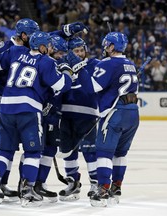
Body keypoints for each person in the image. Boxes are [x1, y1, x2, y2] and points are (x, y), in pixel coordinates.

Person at [0, 31, 73, 207]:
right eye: (48, 46)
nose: (50, 49)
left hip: (5, 108)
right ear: (42, 47)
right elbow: (61, 85)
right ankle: (27, 191)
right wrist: (67, 72)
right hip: (28, 109)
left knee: (3, 151)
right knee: (33, 153)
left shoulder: (16, 52)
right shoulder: (46, 61)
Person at [68, 32, 139, 207]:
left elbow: (92, 87)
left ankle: (103, 189)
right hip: (133, 113)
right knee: (120, 153)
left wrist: (79, 68)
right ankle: (116, 187)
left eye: (107, 45)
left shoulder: (108, 63)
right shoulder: (130, 63)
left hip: (115, 112)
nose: (105, 48)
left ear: (112, 47)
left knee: (104, 153)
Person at [58, 37, 100, 201]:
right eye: (76, 51)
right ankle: (72, 183)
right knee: (68, 151)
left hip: (87, 115)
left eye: (82, 50)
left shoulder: (94, 64)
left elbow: (95, 87)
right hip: (66, 115)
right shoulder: (63, 66)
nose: (80, 54)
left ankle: (95, 183)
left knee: (90, 151)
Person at [34, 34, 68, 203]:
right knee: (34, 150)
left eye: (63, 54)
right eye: (59, 53)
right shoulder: (45, 63)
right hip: (39, 113)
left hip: (52, 114)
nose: (61, 56)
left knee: (49, 149)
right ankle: (29, 183)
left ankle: (39, 182)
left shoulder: (53, 64)